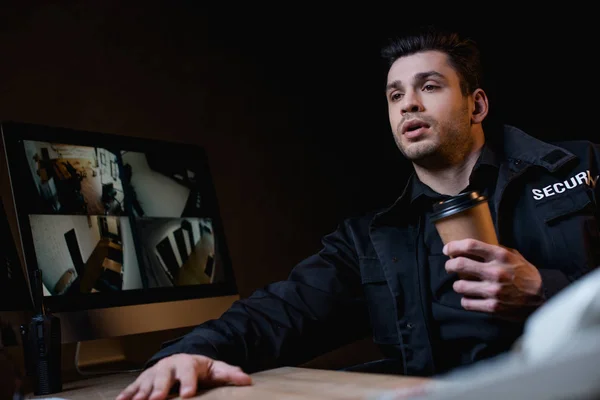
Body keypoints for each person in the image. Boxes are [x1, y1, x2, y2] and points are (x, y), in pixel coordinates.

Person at [117, 26, 600, 400]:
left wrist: (544, 291)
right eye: (395, 95)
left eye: (429, 86)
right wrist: (187, 353)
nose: (408, 102)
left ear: (476, 105)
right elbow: (280, 312)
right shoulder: (372, 239)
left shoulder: (584, 168)